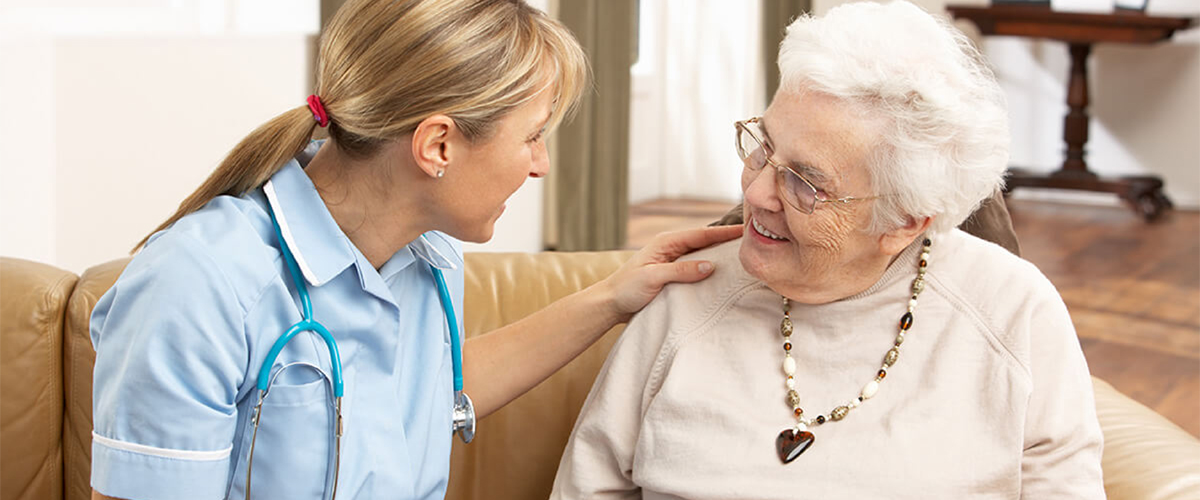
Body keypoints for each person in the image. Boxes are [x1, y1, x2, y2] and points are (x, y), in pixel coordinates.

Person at [88, 1, 741, 499]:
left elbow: (431, 396)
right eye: (533, 136)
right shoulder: (198, 285)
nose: (540, 166)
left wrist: (612, 296)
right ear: (438, 146)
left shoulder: (427, 258)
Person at [551, 1, 1104, 498]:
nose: (756, 193)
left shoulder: (1011, 310)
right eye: (762, 148)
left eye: (806, 184)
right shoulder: (687, 294)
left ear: (906, 221)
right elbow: (589, 484)